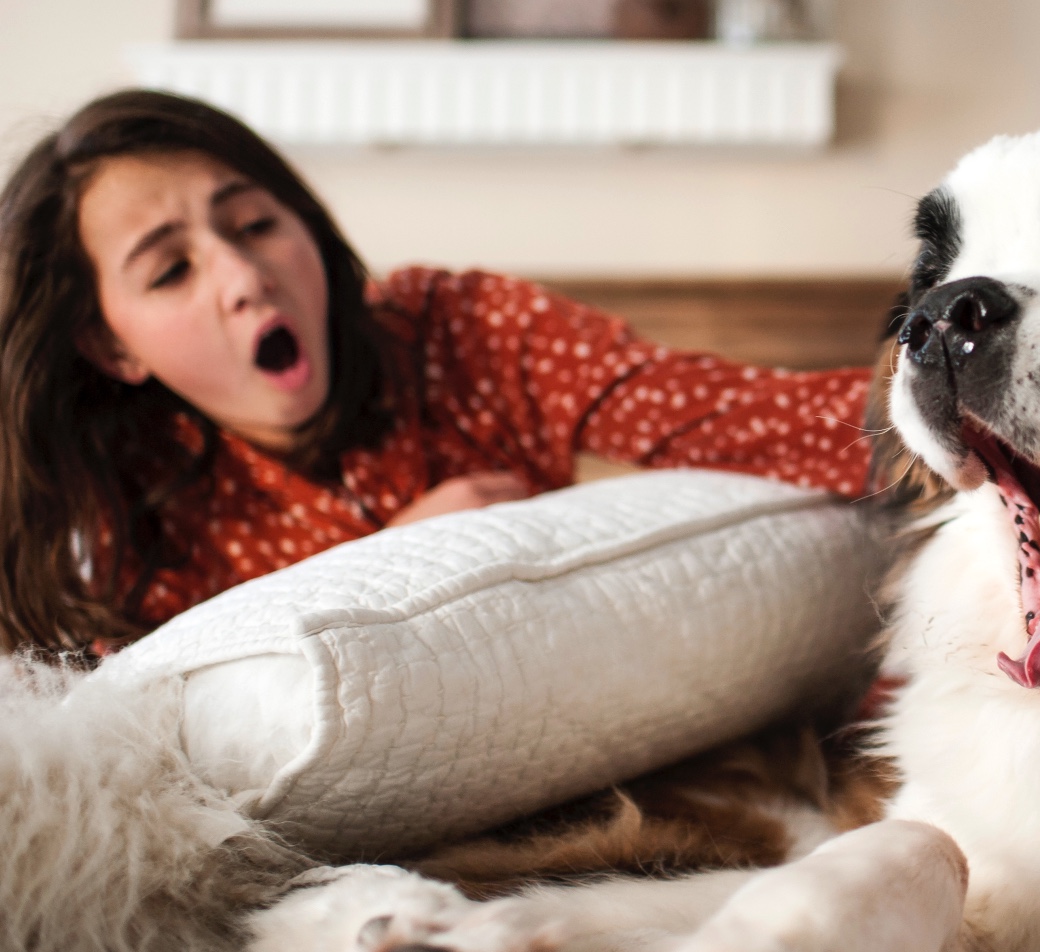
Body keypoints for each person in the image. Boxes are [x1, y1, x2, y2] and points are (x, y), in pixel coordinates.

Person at [0, 90, 878, 655]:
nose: (244, 278)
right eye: (170, 271)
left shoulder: (461, 331)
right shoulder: (113, 510)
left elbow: (747, 418)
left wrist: (972, 409)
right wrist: (387, 564)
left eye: (255, 224)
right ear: (110, 347)